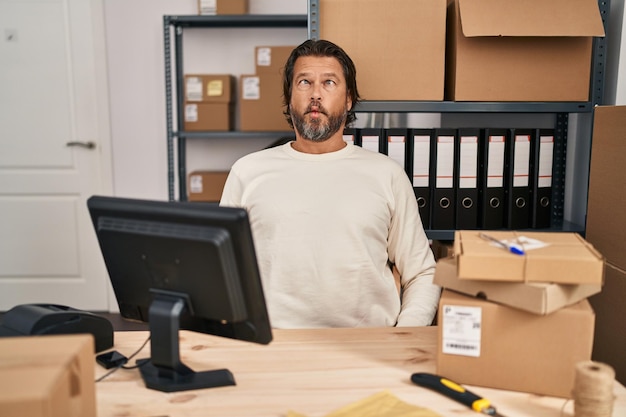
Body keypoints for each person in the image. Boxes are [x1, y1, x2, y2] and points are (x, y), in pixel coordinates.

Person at [220, 39, 440, 328]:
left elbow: (422, 272)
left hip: (368, 348)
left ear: (349, 99)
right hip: (272, 346)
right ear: (289, 97)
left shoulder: (386, 174)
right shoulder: (247, 171)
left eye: (329, 83)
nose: (315, 94)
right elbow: (221, 270)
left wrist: (405, 336)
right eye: (304, 82)